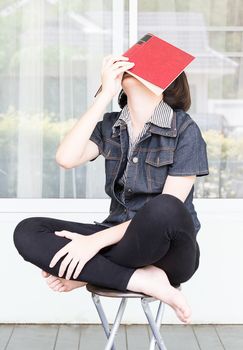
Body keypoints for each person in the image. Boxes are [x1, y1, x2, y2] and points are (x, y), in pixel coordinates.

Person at [13, 54, 209, 324]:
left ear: (163, 82)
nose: (130, 68)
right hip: (119, 239)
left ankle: (91, 272)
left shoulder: (185, 129)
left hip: (170, 253)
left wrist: (92, 244)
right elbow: (65, 158)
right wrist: (104, 95)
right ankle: (141, 278)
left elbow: (171, 209)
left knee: (164, 208)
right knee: (28, 230)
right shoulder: (110, 126)